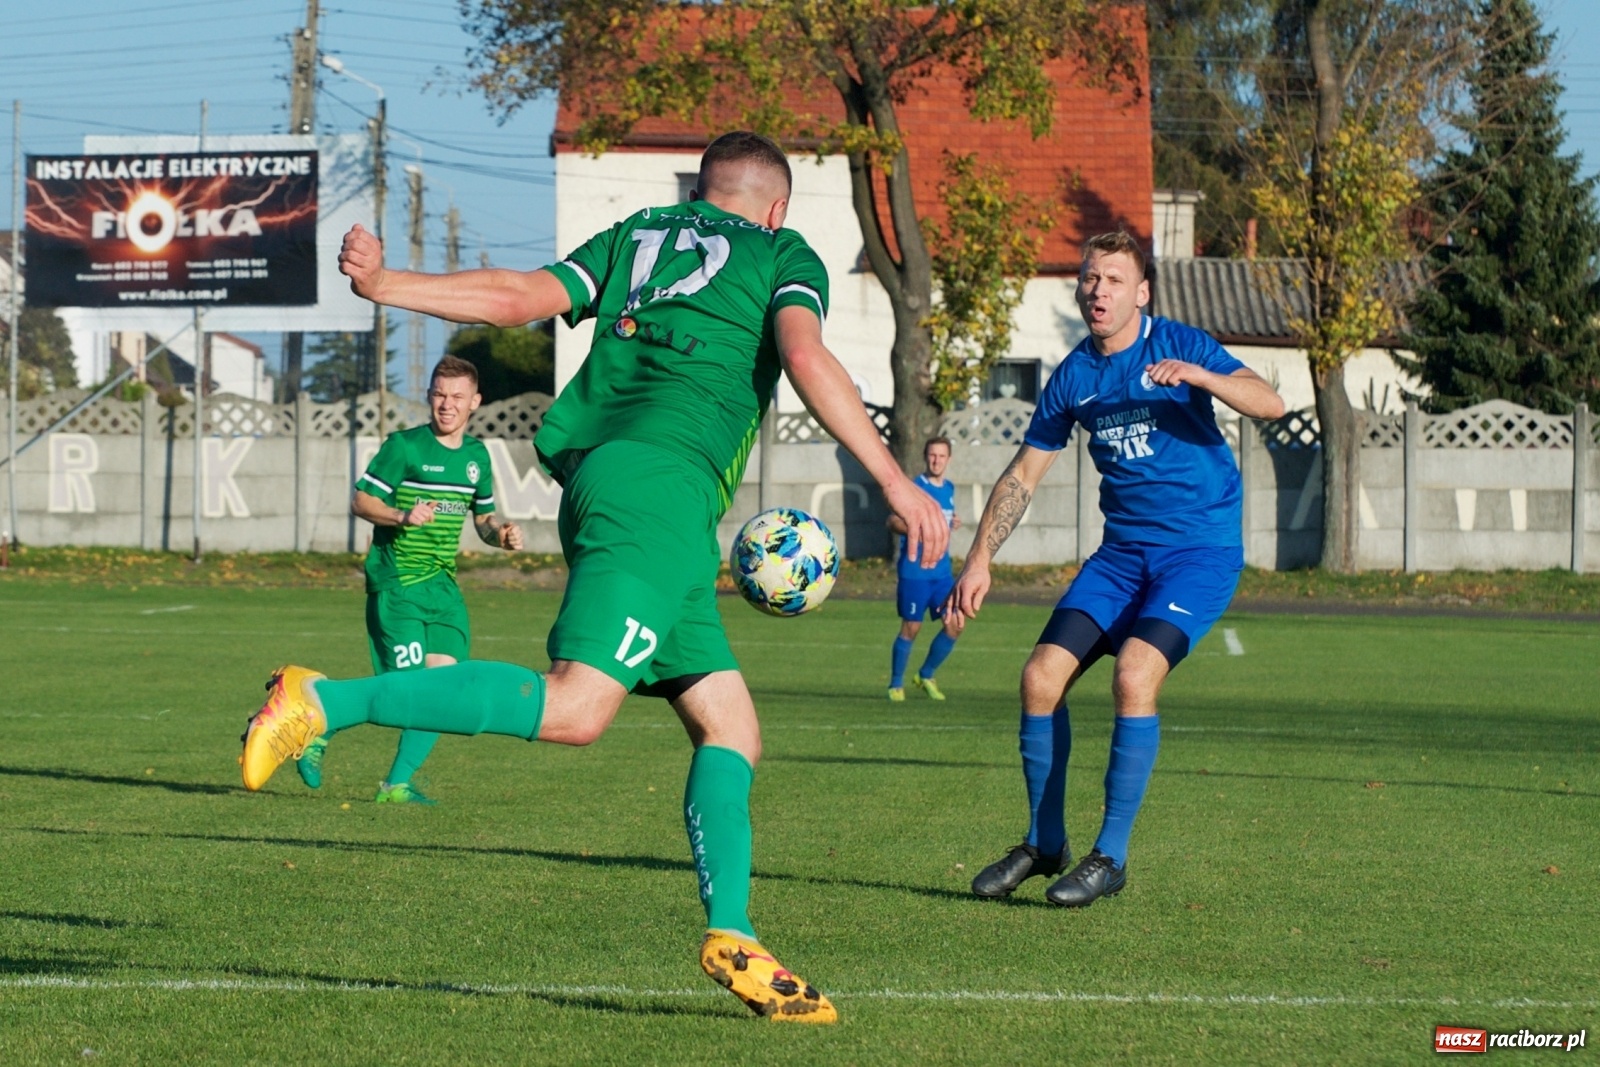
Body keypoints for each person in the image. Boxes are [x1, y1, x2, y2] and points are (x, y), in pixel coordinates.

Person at [238, 131, 947, 1023]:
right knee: (576, 708)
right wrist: (894, 480)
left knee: (730, 724)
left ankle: (734, 934)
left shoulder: (638, 234)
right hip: (658, 489)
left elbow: (516, 296)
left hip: (638, 498)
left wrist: (388, 285)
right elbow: (805, 357)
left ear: (701, 187)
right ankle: (322, 701)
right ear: (776, 206)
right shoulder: (780, 252)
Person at [949, 230, 1284, 908]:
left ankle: (1111, 855)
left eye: (1112, 278)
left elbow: (1270, 401)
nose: (1097, 289)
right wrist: (978, 556)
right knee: (1040, 676)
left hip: (1198, 554)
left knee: (1135, 672)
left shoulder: (1180, 344)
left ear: (1142, 291)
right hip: (1120, 558)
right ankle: (1046, 844)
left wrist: (1201, 377)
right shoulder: (1075, 375)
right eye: (1089, 277)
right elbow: (1024, 473)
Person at [292, 356, 525, 804]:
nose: (446, 404)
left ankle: (395, 784)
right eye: (439, 394)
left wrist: (502, 535)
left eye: (457, 396)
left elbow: (483, 520)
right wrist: (401, 514)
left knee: (445, 693)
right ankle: (318, 725)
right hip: (397, 584)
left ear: (475, 402)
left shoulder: (477, 456)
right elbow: (361, 501)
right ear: (429, 397)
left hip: (443, 588)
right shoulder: (405, 447)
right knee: (407, 691)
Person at [887, 435, 961, 701]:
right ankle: (896, 684)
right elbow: (893, 521)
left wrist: (949, 524)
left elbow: (943, 518)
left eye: (941, 456)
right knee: (912, 627)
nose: (936, 460)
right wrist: (917, 527)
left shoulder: (950, 488)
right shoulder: (914, 488)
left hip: (942, 573)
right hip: (915, 572)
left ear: (948, 459)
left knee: (955, 624)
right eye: (932, 455)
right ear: (925, 457)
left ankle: (926, 674)